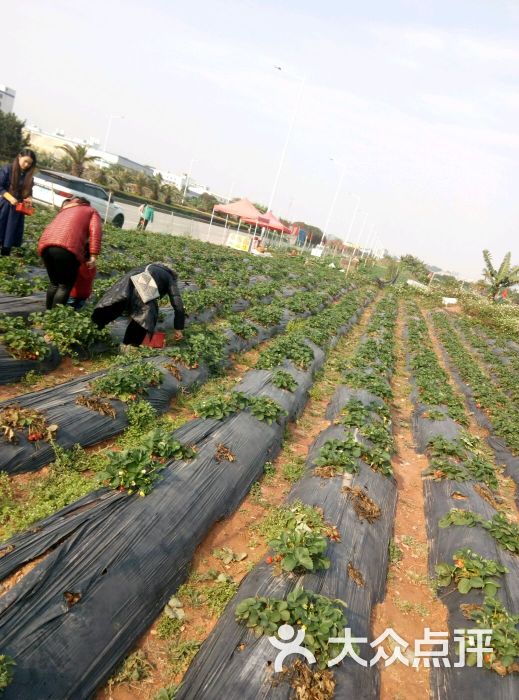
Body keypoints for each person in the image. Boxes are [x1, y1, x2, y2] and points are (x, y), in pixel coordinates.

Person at [92, 262, 185, 347]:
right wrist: (178, 328)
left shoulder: (148, 266)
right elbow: (178, 305)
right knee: (146, 315)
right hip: (145, 281)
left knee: (116, 303)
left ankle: (93, 331)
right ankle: (130, 345)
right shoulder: (170, 277)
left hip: (128, 280)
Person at [37, 196, 102, 309]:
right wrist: (93, 255)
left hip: (46, 247)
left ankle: (48, 314)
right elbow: (96, 233)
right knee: (64, 286)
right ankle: (53, 318)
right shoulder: (91, 211)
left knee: (54, 283)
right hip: (67, 248)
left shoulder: (65, 209)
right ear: (87, 204)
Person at [0, 148, 37, 256]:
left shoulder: (28, 177)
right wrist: (10, 197)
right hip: (4, 206)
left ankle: (5, 261)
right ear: (19, 157)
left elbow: (29, 192)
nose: (27, 165)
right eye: (25, 161)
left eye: (29, 164)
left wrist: (29, 198)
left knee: (9, 237)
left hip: (17, 209)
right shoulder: (8, 169)